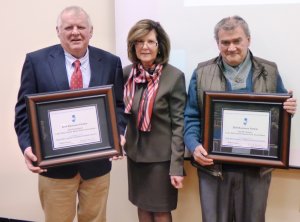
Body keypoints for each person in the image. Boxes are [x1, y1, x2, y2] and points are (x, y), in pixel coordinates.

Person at [14, 6, 127, 222]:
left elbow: (118, 106)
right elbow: (23, 112)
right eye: (68, 27)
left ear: (90, 31)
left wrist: (118, 134)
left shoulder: (111, 62)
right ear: (58, 31)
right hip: (55, 169)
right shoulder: (36, 62)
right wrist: (28, 147)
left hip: (97, 167)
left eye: (81, 27)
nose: (75, 32)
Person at [184, 15, 297, 222]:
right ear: (217, 43)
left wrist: (288, 109)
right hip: (213, 169)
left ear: (248, 40)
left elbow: (279, 117)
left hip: (256, 170)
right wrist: (194, 146)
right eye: (225, 42)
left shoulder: (269, 71)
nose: (231, 47)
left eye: (237, 41)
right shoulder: (201, 73)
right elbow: (191, 117)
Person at [123, 19, 186, 222]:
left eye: (150, 41)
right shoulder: (127, 74)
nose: (145, 46)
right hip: (135, 157)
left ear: (160, 46)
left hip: (161, 160)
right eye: (139, 41)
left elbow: (179, 125)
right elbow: (119, 112)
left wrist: (177, 166)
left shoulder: (174, 77)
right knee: (142, 207)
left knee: (160, 211)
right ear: (133, 46)